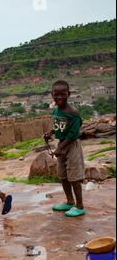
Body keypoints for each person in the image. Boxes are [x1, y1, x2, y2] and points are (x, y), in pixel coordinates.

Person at [44, 80, 85, 217]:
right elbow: (61, 127)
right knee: (63, 176)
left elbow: (73, 134)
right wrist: (52, 132)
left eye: (63, 94)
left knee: (74, 177)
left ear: (69, 94)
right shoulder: (56, 110)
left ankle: (80, 206)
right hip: (61, 145)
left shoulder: (73, 112)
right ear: (52, 94)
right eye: (56, 95)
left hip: (71, 146)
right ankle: (69, 202)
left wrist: (60, 147)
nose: (59, 97)